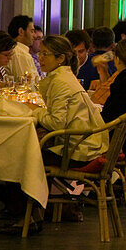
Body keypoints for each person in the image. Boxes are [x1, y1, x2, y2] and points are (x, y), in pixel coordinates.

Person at [33, 35, 106, 163]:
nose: (40, 58)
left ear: (60, 58)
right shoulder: (64, 75)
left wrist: (35, 110)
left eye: (45, 54)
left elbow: (57, 123)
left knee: (22, 154)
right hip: (84, 143)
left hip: (75, 151)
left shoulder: (60, 81)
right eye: (40, 53)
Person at [6, 15, 39, 82]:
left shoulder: (21, 51)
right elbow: (25, 84)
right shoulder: (20, 53)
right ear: (21, 31)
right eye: (32, 31)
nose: (34, 36)